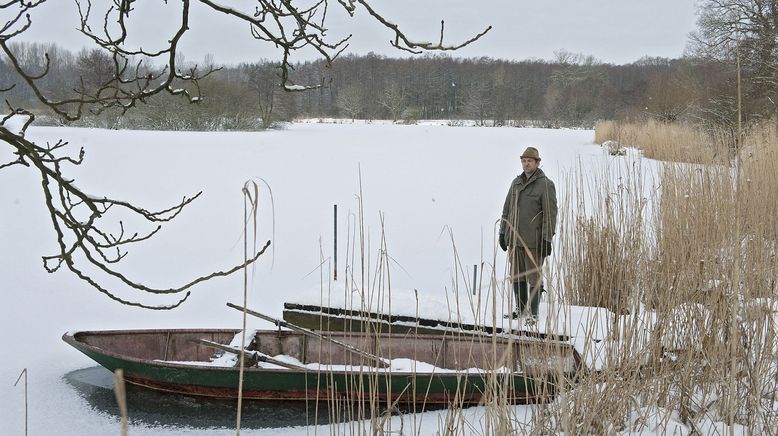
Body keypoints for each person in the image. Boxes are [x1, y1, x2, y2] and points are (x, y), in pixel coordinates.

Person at [498, 147, 558, 326]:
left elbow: (550, 213)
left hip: (534, 241)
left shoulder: (545, 184)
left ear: (537, 163)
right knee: (516, 275)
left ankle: (533, 313)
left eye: (529, 161)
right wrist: (502, 233)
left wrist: (547, 239)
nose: (526, 164)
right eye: (523, 160)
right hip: (514, 240)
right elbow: (506, 209)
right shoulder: (516, 183)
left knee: (533, 276)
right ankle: (520, 309)